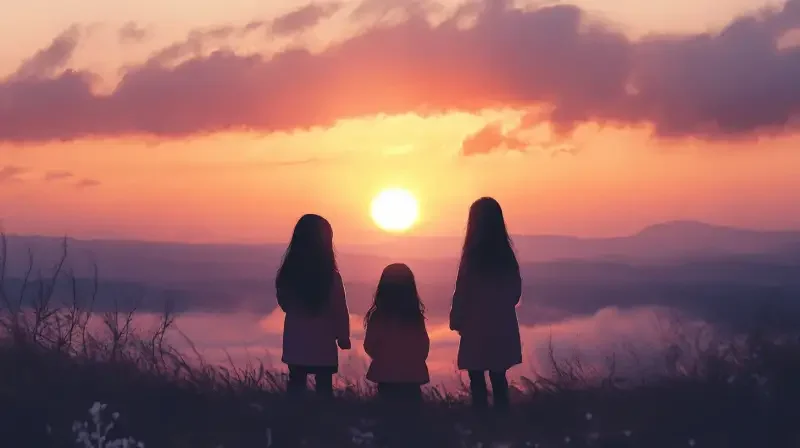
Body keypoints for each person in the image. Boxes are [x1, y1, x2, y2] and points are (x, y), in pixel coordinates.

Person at [450, 197, 522, 413]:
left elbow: (462, 292)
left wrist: (457, 319)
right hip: (501, 326)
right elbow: (515, 293)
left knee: (477, 381)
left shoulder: (471, 258)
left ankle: (481, 424)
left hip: (475, 326)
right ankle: (502, 423)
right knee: (499, 378)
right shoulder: (506, 256)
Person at [276, 214, 351, 398]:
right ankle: (323, 421)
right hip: (323, 343)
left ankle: (293, 420)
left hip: (296, 342)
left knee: (296, 383)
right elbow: (339, 309)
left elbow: (284, 303)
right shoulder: (331, 278)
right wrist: (343, 336)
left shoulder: (288, 274)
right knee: (324, 387)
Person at [364, 263, 430, 405]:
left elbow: (369, 345)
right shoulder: (414, 317)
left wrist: (382, 358)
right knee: (412, 416)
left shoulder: (378, 316)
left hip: (385, 374)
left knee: (387, 414)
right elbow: (423, 346)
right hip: (412, 375)